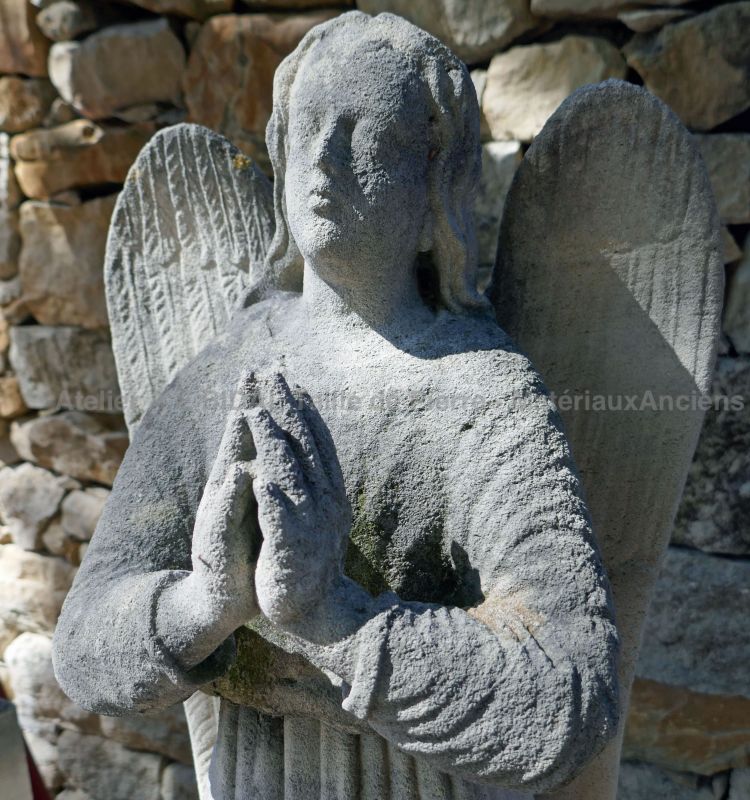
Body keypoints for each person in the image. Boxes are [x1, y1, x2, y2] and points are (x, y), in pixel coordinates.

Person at [53, 13, 619, 800]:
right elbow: (80, 648)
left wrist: (335, 617)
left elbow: (571, 694)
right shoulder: (225, 375)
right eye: (308, 130)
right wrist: (205, 604)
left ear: (433, 191)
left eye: (364, 137)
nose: (323, 160)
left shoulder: (479, 392)